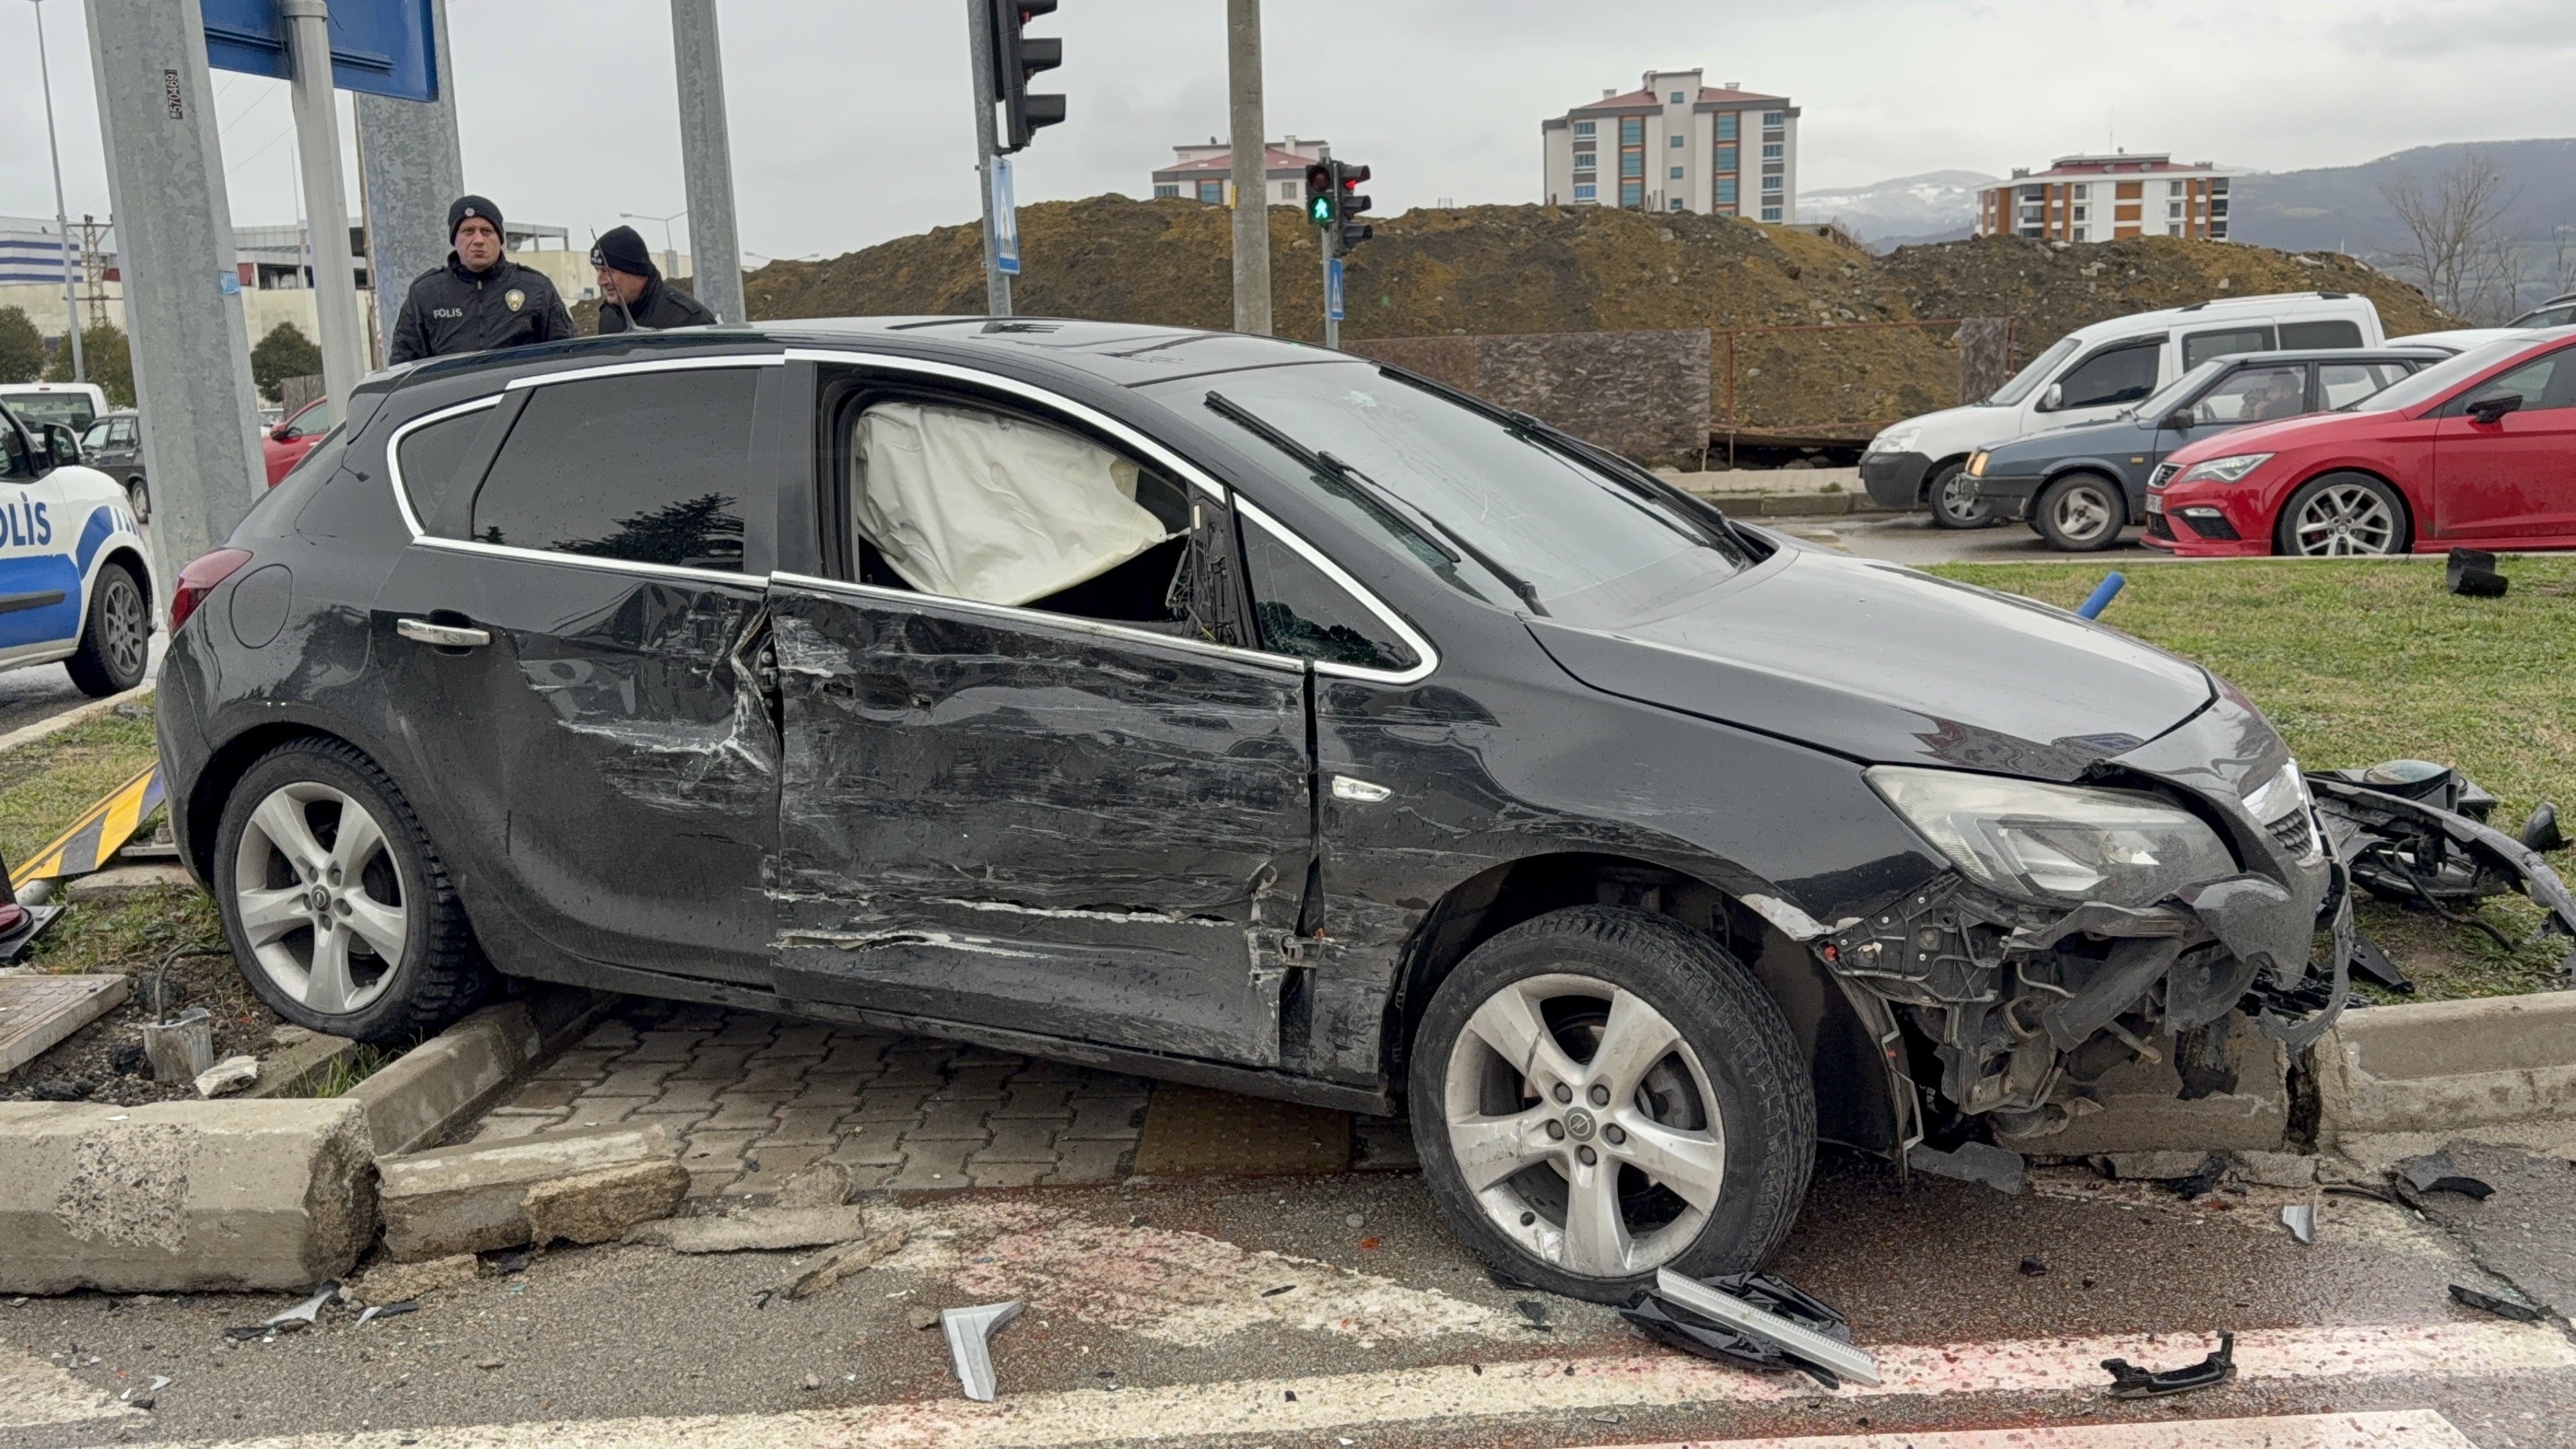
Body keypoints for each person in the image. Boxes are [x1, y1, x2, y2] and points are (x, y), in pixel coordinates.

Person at [387, 196, 576, 364]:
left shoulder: (536, 289)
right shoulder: (426, 293)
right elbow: (403, 365)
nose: (478, 240)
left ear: (500, 239)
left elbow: (567, 355)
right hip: (454, 394)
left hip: (519, 393)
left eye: (487, 231)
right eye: (468, 231)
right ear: (454, 240)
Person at [591, 225, 719, 333]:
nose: (600, 281)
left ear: (636, 272)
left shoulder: (691, 321)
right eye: (597, 270)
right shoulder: (609, 316)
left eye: (607, 271)